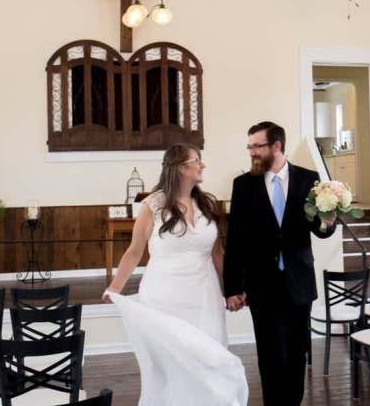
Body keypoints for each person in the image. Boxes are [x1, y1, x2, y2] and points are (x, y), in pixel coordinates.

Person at [102, 143, 248, 406]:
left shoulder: (207, 203)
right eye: (197, 161)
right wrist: (114, 287)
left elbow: (217, 253)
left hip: (204, 297)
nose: (202, 165)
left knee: (210, 360)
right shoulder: (153, 205)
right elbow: (134, 251)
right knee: (170, 367)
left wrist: (231, 290)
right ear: (181, 168)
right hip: (165, 297)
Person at [224, 121, 337, 406]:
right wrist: (232, 288)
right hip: (261, 285)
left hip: (299, 282)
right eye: (249, 146)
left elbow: (321, 230)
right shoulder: (243, 185)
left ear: (276, 146)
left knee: (298, 355)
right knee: (270, 357)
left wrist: (328, 222)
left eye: (256, 146)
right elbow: (235, 240)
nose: (251, 152)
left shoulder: (309, 179)